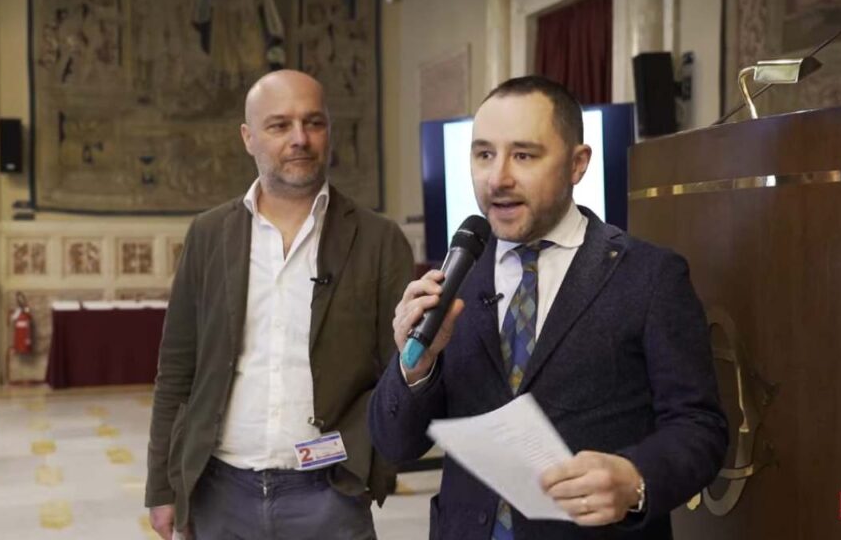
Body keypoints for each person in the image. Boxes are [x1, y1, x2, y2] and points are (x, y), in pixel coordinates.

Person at [369, 76, 727, 539]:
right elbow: (395, 444)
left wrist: (636, 480)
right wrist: (415, 366)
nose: (497, 178)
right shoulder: (455, 278)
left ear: (577, 164)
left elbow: (700, 428)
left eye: (523, 155)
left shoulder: (650, 276)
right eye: (483, 154)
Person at [146, 69, 414, 540]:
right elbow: (176, 370)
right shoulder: (209, 234)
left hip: (331, 495)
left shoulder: (378, 239)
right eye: (279, 125)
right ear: (248, 137)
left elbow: (400, 372)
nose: (300, 139)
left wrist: (372, 465)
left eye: (313, 123)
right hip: (220, 493)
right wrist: (163, 488)